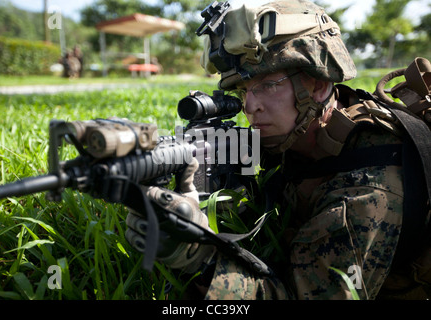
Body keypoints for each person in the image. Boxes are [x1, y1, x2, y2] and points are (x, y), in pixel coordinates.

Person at [126, 0, 430, 300]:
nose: (249, 106)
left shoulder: (368, 191)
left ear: (318, 85)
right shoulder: (307, 128)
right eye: (243, 90)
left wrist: (196, 257)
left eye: (268, 84)